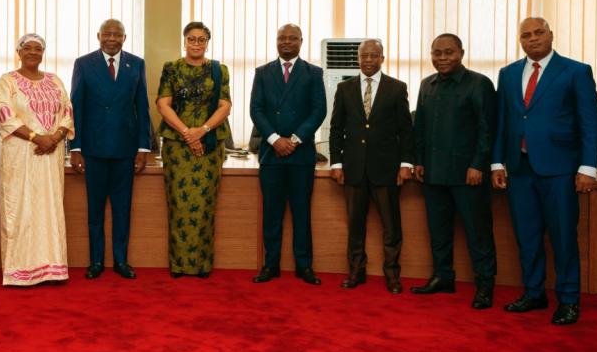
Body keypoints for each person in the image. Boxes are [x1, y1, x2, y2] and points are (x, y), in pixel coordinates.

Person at [491, 17, 597, 326]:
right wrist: (497, 162)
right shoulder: (509, 73)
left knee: (563, 237)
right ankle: (534, 293)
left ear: (551, 34)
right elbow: (504, 120)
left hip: (560, 170)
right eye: (526, 35)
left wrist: (588, 166)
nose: (533, 39)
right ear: (520, 41)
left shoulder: (576, 71)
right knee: (527, 237)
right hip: (520, 169)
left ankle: (568, 300)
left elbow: (590, 121)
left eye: (539, 32)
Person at [411, 34, 498, 309]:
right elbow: (420, 128)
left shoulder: (479, 84)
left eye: (448, 52)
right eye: (437, 53)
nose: (442, 58)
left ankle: (485, 285)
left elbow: (487, 129)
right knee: (439, 231)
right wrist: (419, 161)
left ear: (461, 53)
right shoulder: (427, 85)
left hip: (467, 174)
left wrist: (477, 165)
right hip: (434, 173)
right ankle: (442, 277)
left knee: (478, 232)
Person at [328, 39, 414, 294]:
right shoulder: (344, 88)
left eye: (373, 55)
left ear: (382, 58)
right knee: (355, 225)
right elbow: (335, 129)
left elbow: (405, 130)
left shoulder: (397, 88)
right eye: (364, 55)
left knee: (391, 227)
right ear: (358, 58)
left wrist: (405, 163)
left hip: (387, 169)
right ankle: (356, 271)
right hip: (353, 168)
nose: (368, 60)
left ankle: (392, 274)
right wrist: (336, 162)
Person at [69, 19, 151, 280]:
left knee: (122, 209)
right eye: (107, 34)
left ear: (124, 38)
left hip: (125, 150)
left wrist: (142, 147)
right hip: (93, 149)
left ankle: (120, 261)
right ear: (98, 36)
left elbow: (142, 106)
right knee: (94, 210)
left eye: (117, 34)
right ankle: (95, 262)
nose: (112, 39)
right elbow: (76, 106)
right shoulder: (83, 63)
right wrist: (75, 147)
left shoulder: (136, 64)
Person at [248, 24, 326, 286]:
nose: (286, 42)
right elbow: (256, 110)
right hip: (272, 155)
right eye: (282, 37)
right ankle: (271, 265)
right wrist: (274, 139)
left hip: (301, 155)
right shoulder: (262, 72)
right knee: (272, 214)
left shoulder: (313, 73)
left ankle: (304, 266)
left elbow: (318, 111)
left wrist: (293, 140)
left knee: (302, 213)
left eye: (292, 38)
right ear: (276, 40)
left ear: (301, 41)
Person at [0, 33, 74, 286]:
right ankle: (20, 270)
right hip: (20, 154)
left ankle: (53, 269)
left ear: (43, 53)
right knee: (21, 208)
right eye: (27, 48)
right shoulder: (7, 82)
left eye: (37, 49)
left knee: (49, 208)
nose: (32, 52)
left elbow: (67, 112)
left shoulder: (55, 81)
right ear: (18, 52)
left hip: (50, 156)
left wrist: (54, 137)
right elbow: (5, 116)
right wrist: (36, 137)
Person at [156, 21, 232, 278]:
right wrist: (187, 133)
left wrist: (202, 130)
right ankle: (179, 265)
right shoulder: (171, 68)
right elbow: (163, 105)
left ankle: (202, 265)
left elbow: (225, 105)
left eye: (201, 39)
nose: (196, 44)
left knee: (204, 205)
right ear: (184, 40)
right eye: (192, 39)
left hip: (209, 145)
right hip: (178, 146)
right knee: (178, 204)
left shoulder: (219, 70)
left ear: (208, 42)